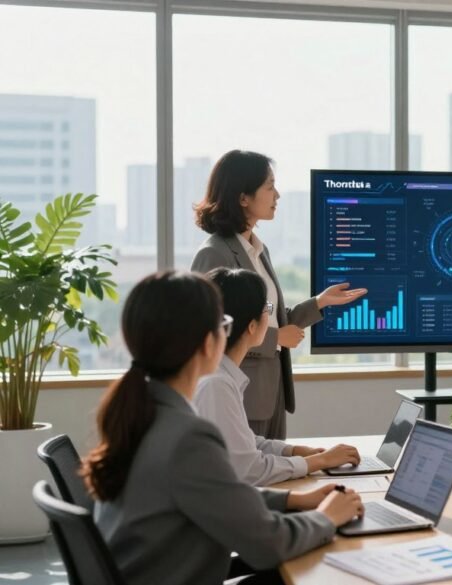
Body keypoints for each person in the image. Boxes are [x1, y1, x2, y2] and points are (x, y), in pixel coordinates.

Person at [82, 271, 364, 585]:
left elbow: (222, 496)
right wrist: (326, 517)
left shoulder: (144, 412)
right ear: (207, 343)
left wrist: (292, 501)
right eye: (223, 324)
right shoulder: (186, 437)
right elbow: (267, 544)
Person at [191, 149, 368, 440]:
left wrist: (319, 302)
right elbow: (208, 334)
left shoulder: (259, 250)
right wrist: (276, 340)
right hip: (241, 397)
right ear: (243, 197)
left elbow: (272, 320)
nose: (278, 195)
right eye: (270, 187)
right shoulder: (213, 254)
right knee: (253, 477)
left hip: (272, 394)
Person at [194, 267, 362, 485]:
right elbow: (250, 470)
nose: (271, 316)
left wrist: (298, 451)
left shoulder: (221, 376)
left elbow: (244, 443)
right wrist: (320, 461)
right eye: (267, 309)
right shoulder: (216, 384)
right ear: (252, 327)